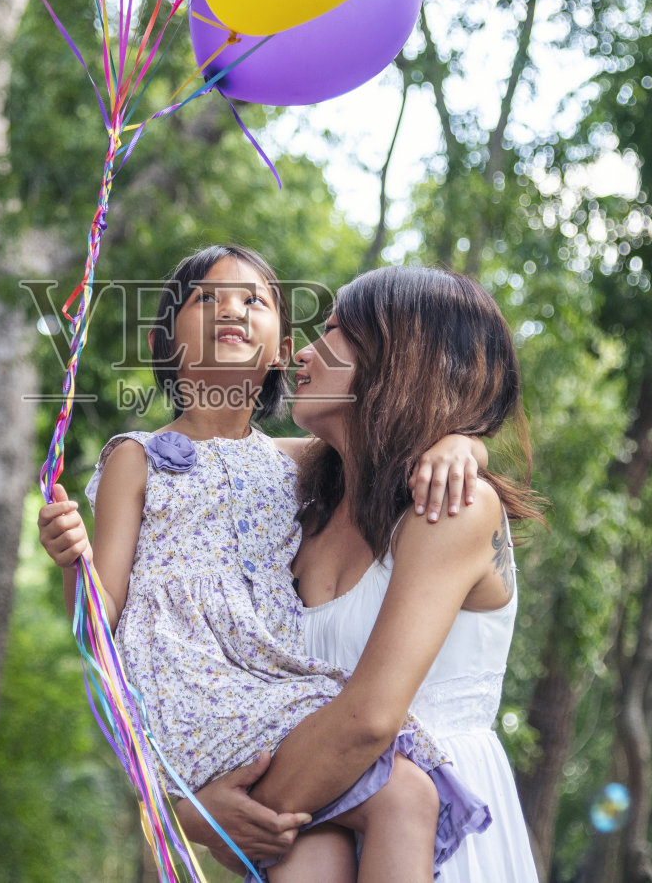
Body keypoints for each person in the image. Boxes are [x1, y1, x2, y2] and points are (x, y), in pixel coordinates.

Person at [38, 245, 492, 881]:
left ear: (282, 349)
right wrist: (71, 562)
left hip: (265, 687)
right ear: (163, 341)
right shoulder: (135, 458)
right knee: (405, 794)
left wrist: (461, 441)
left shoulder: (291, 466)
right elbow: (97, 629)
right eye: (207, 299)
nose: (232, 309)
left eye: (254, 300)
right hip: (193, 689)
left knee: (321, 845)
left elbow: (395, 433)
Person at [182, 265, 543, 882]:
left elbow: (371, 719)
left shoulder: (448, 507)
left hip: (434, 822)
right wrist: (192, 807)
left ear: (399, 358)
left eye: (333, 332)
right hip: (317, 823)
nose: (301, 352)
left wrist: (222, 815)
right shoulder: (296, 492)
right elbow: (187, 454)